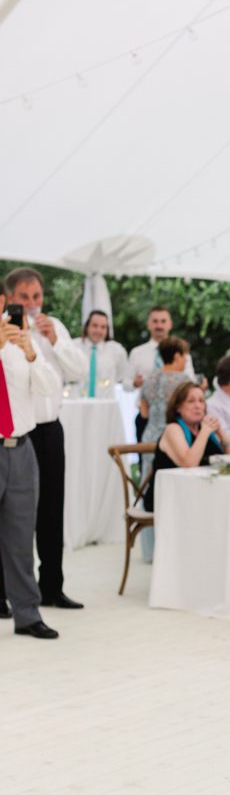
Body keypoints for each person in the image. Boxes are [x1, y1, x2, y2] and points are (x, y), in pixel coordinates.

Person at [0, 267, 84, 612]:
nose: (32, 305)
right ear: (10, 300)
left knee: (52, 510)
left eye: (36, 297)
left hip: (49, 429)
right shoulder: (4, 329)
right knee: (11, 517)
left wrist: (55, 341)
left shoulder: (55, 327)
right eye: (24, 298)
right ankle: (5, 593)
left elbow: (79, 372)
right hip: (16, 430)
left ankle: (52, 586)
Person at [1, 310, 62, 638]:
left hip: (21, 450)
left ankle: (27, 615)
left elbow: (49, 388)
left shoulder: (19, 345)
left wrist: (31, 353)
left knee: (22, 539)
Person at [143, 381, 230, 512]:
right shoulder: (173, 429)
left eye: (201, 401)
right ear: (178, 407)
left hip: (201, 494)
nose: (198, 406)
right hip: (168, 498)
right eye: (191, 401)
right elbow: (189, 463)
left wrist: (221, 433)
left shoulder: (206, 431)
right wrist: (205, 432)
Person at [74, 310, 129, 397]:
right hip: (77, 404)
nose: (99, 330)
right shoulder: (73, 347)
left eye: (103, 327)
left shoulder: (117, 350)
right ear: (87, 326)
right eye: (95, 326)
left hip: (105, 405)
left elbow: (121, 376)